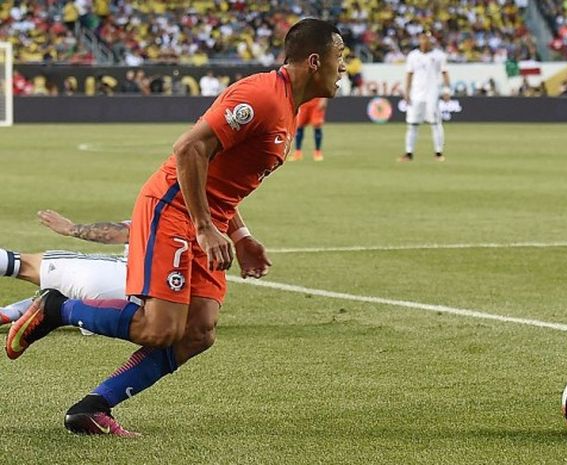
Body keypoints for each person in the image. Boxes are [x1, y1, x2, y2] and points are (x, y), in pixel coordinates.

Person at [6, 18, 346, 438]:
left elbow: (219, 175)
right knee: (160, 328)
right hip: (173, 210)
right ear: (315, 61)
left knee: (199, 331)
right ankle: (58, 308)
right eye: (340, 56)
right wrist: (204, 225)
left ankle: (92, 408)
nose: (344, 66)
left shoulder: (288, 108)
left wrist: (239, 236)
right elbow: (188, 149)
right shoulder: (261, 96)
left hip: (207, 220)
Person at [0, 210, 131, 326]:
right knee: (62, 299)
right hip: (134, 310)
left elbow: (121, 233)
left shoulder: (151, 201)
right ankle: (12, 312)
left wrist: (71, 228)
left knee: (25, 265)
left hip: (117, 278)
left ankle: (12, 312)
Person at [399, 32, 451, 162]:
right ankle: (409, 153)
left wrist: (446, 89)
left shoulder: (439, 55)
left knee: (435, 122)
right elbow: (409, 74)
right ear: (419, 40)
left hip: (432, 93)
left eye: (427, 39)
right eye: (423, 38)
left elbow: (445, 73)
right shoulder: (413, 56)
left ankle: (438, 152)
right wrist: (406, 90)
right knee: (412, 124)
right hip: (416, 93)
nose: (425, 41)